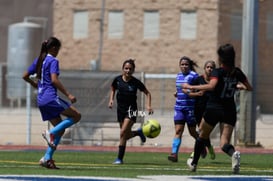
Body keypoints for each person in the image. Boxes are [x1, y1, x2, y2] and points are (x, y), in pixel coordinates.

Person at [184, 43, 252, 173]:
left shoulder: (218, 72)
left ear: (221, 58)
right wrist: (237, 86)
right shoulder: (237, 72)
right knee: (224, 143)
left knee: (202, 135)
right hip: (229, 110)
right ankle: (233, 154)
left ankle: (193, 163)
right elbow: (249, 87)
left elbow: (211, 86)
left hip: (214, 107)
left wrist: (191, 87)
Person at [22, 37, 81, 169]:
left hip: (41, 100)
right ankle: (50, 133)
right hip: (50, 98)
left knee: (61, 129)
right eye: (57, 48)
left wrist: (34, 84)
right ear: (53, 48)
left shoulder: (39, 60)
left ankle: (47, 158)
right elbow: (54, 80)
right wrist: (68, 94)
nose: (58, 51)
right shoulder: (53, 60)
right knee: (77, 115)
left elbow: (24, 75)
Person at [108, 59, 153, 164]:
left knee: (123, 132)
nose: (128, 71)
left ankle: (119, 158)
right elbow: (113, 89)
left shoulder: (135, 82)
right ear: (123, 69)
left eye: (130, 69)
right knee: (125, 135)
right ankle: (138, 132)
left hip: (132, 110)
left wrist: (149, 105)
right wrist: (111, 100)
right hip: (120, 110)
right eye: (126, 68)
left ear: (133, 70)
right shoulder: (117, 80)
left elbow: (148, 93)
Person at [168, 56, 205, 162]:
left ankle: (201, 146)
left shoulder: (194, 76)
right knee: (178, 130)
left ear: (190, 66)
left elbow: (200, 92)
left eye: (186, 64)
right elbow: (180, 90)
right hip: (179, 108)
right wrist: (177, 93)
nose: (184, 66)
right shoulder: (178, 76)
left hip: (190, 109)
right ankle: (174, 154)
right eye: (182, 64)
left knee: (192, 132)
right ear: (179, 65)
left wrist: (190, 93)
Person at [192, 60, 216, 160]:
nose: (210, 69)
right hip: (198, 109)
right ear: (204, 68)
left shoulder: (215, 82)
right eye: (208, 67)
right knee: (203, 134)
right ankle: (209, 147)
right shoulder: (198, 80)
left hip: (210, 110)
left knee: (202, 131)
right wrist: (197, 94)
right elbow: (190, 92)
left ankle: (194, 153)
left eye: (212, 67)